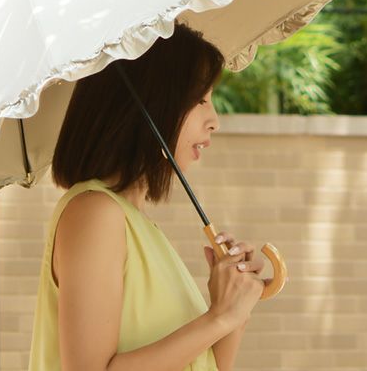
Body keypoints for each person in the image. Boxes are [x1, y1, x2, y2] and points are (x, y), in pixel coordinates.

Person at [28, 22, 268, 371]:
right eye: (200, 99)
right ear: (153, 106)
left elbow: (205, 365)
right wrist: (217, 318)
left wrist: (235, 307)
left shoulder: (140, 226)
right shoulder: (95, 213)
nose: (214, 120)